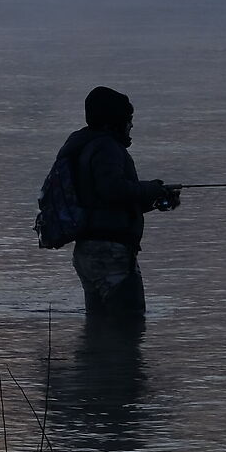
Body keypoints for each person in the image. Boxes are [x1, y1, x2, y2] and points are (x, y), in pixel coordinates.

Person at [55, 86, 179, 312]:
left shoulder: (84, 145)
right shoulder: (107, 148)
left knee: (100, 329)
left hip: (88, 250)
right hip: (111, 253)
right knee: (128, 327)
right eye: (128, 119)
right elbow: (112, 189)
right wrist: (151, 189)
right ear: (112, 121)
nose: (131, 125)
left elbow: (104, 201)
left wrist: (156, 197)